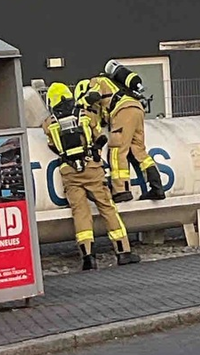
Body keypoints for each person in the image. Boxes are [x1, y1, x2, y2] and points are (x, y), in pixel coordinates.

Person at [42, 82, 141, 270]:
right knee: (107, 208)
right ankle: (123, 251)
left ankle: (87, 257)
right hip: (91, 168)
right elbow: (99, 136)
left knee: (80, 213)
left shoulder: (48, 124)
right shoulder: (86, 116)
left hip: (69, 172)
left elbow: (52, 146)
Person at [80, 61, 166, 203]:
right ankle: (157, 187)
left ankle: (121, 191)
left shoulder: (98, 81)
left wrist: (82, 103)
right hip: (137, 109)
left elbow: (93, 96)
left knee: (117, 151)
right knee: (139, 150)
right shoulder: (121, 85)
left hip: (122, 111)